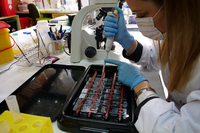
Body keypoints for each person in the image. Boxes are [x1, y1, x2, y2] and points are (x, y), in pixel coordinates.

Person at [103, 0, 200, 132]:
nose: (138, 21)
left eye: (142, 15)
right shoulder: (182, 32)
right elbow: (156, 58)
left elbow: (180, 129)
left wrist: (141, 87)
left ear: (175, 7)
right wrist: (126, 40)